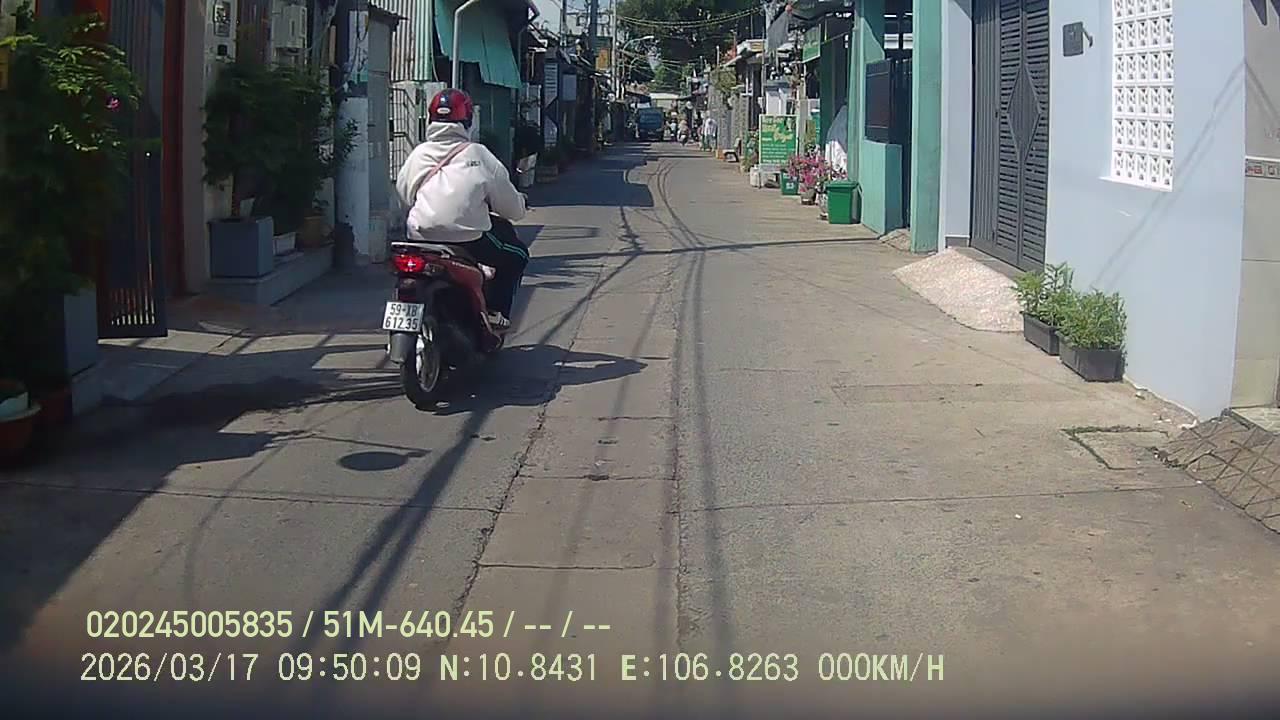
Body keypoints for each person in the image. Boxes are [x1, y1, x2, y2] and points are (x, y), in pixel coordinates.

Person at [395, 88, 529, 330]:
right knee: (517, 255)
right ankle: (495, 312)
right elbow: (512, 210)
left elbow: (404, 195)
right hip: (469, 240)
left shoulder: (418, 154)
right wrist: (519, 204)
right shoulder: (479, 154)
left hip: (419, 237)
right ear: (468, 120)